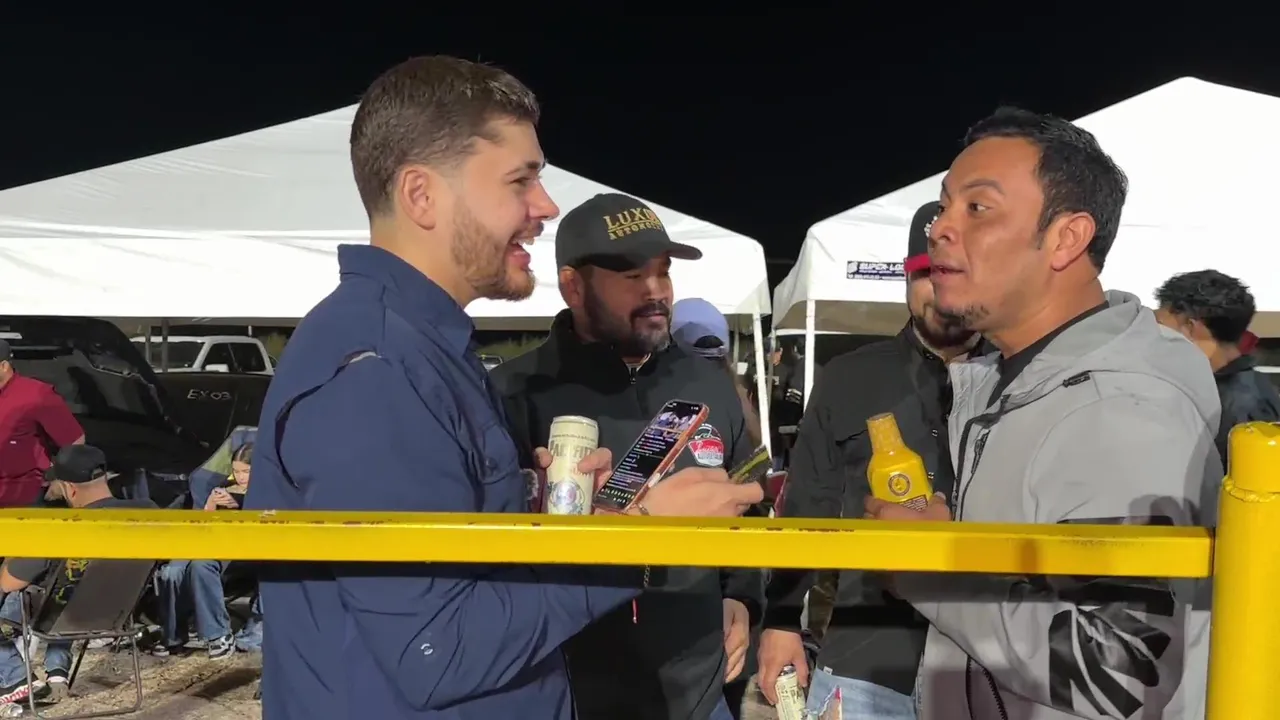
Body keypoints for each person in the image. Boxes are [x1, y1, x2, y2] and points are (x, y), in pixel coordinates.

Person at [243, 56, 762, 720]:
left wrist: (551, 506)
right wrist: (641, 536)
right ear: (422, 195)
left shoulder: (425, 350)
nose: (546, 207)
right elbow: (438, 650)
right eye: (521, 180)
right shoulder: (375, 369)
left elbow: (457, 568)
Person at [866, 107, 1219, 720]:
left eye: (978, 208)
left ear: (1067, 238)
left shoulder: (1120, 411)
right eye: (944, 206)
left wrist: (930, 571)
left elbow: (1120, 670)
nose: (940, 228)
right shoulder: (1011, 381)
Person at [493, 201, 764, 720]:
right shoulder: (515, 392)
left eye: (663, 271)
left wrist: (743, 598)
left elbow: (748, 505)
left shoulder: (709, 383)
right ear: (574, 287)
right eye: (634, 276)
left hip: (700, 689)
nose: (657, 291)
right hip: (575, 694)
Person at [757, 201, 985, 719]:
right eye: (925, 273)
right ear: (906, 277)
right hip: (866, 660)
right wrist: (782, 621)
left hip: (985, 663)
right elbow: (807, 506)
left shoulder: (1019, 378)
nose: (938, 288)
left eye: (954, 271)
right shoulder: (848, 377)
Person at [0, 445, 156, 707]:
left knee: (52, 592)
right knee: (73, 587)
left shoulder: (63, 528)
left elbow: (8, 582)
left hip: (62, 615)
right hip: (117, 613)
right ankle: (57, 673)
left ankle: (15, 679)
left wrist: (12, 555)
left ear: (70, 489)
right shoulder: (148, 512)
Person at [1154, 269, 1280, 463]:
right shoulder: (1224, 390)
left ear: (1190, 327)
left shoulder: (1245, 407)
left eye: (1160, 325)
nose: (1154, 335)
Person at [154, 441, 258, 659]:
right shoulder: (223, 487)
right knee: (171, 571)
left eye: (246, 471)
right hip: (207, 542)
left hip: (241, 550)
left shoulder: (265, 491)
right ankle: (173, 635)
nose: (240, 477)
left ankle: (218, 634)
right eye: (236, 471)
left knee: (201, 565)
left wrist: (241, 505)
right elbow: (201, 527)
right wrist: (211, 505)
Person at [0, 340, 85, 508]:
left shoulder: (36, 395)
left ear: (4, 366)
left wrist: (61, 480)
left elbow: (75, 441)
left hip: (23, 499)